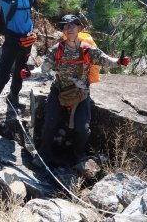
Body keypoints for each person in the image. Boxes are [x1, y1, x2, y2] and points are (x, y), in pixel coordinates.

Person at [22, 14, 130, 167]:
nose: (69, 28)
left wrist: (119, 61)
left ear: (79, 28)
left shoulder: (87, 50)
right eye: (66, 26)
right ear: (63, 30)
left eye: (72, 25)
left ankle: (79, 157)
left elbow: (106, 60)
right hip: (59, 91)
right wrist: (30, 73)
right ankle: (44, 154)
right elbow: (44, 68)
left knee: (82, 128)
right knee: (50, 123)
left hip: (81, 94)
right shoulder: (57, 49)